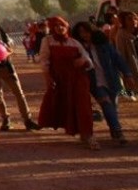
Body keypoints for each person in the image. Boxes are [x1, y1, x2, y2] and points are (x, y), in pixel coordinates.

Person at [37, 15, 97, 149]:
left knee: (83, 106)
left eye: (62, 25)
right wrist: (48, 78)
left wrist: (83, 61)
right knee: (63, 105)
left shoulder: (74, 42)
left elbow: (89, 61)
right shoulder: (48, 41)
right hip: (60, 80)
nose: (59, 28)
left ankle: (88, 135)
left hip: (78, 80)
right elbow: (44, 60)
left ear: (67, 26)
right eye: (56, 26)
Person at [74, 21, 128, 146]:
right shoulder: (79, 48)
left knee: (112, 107)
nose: (84, 35)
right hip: (95, 82)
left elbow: (117, 58)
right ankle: (118, 131)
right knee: (106, 104)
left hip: (111, 79)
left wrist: (127, 73)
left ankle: (114, 130)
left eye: (86, 31)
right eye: (80, 33)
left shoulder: (104, 44)